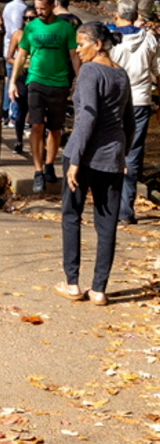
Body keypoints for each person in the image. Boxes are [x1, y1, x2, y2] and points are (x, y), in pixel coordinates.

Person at [56, 22, 134, 305]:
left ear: (98, 44)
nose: (78, 49)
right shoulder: (121, 74)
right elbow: (129, 122)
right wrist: (122, 154)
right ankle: (99, 289)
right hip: (112, 157)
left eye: (82, 44)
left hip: (83, 154)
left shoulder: (90, 71)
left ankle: (72, 283)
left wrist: (75, 159)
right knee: (107, 223)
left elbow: (87, 118)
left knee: (72, 216)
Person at [9, 0, 80, 194]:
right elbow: (21, 56)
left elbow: (74, 56)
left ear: (52, 6)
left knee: (55, 128)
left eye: (43, 8)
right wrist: (13, 82)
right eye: (37, 8)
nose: (39, 12)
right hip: (36, 82)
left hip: (59, 83)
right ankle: (38, 170)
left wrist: (81, 81)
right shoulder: (31, 28)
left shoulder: (65, 28)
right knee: (37, 125)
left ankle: (50, 164)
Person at [109, 0, 160, 226]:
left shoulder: (111, 41)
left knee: (111, 149)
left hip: (114, 101)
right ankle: (126, 210)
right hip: (140, 100)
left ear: (117, 16)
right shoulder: (150, 40)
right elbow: (158, 72)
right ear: (136, 15)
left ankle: (109, 206)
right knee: (133, 153)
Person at [6, 5, 37, 155]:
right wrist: (20, 64)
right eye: (26, 18)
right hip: (22, 75)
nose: (28, 21)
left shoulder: (42, 34)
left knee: (36, 110)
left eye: (32, 18)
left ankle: (35, 142)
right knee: (21, 109)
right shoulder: (18, 34)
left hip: (38, 75)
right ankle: (19, 141)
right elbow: (9, 57)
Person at [2, 0, 29, 123]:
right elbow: (17, 30)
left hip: (8, 48)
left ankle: (6, 111)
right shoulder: (23, 9)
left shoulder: (8, 6)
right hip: (17, 52)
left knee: (10, 82)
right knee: (18, 85)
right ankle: (14, 116)